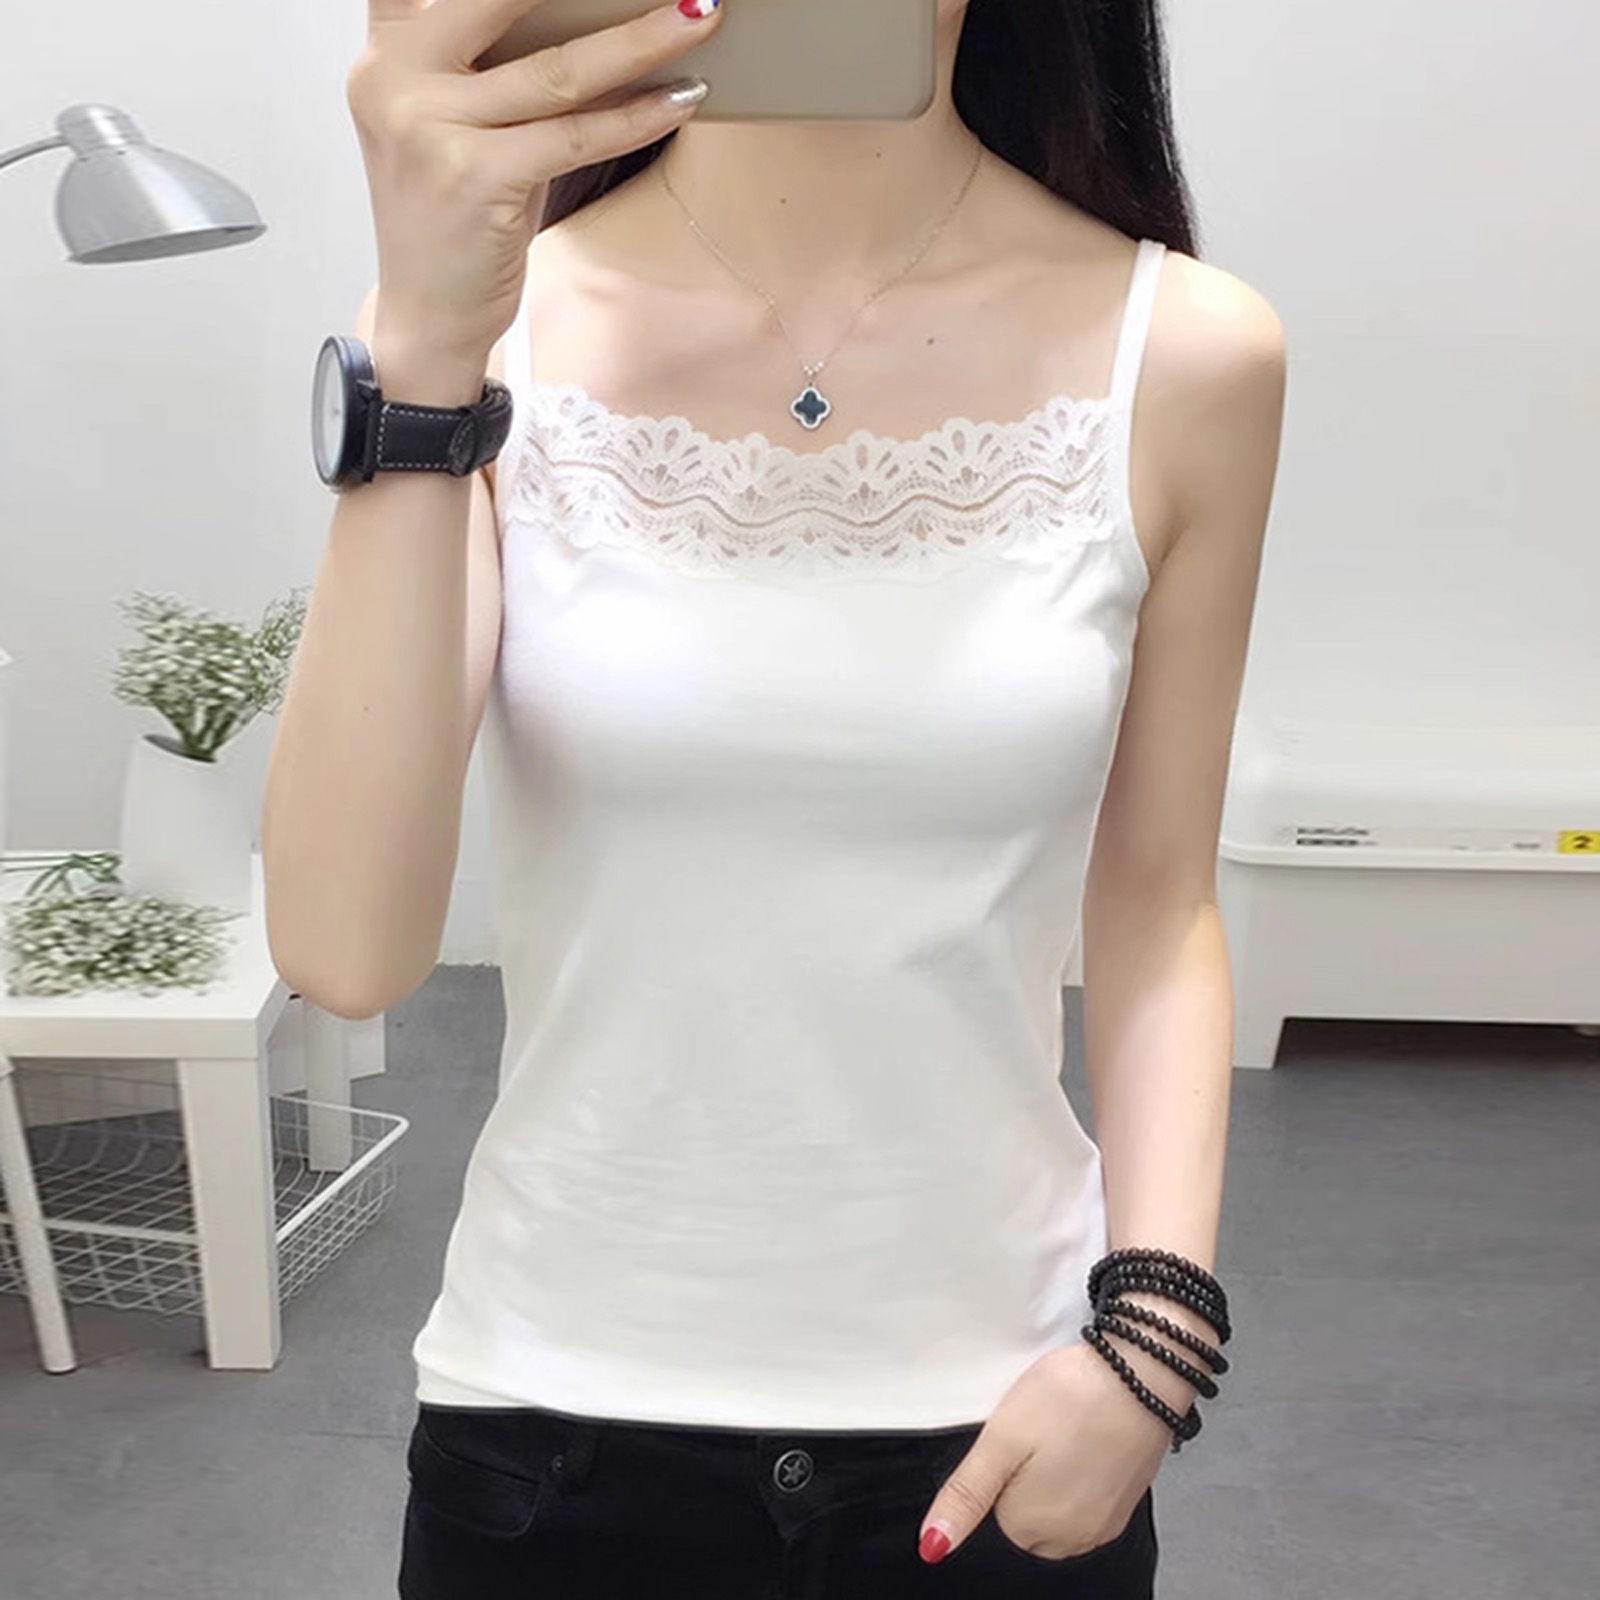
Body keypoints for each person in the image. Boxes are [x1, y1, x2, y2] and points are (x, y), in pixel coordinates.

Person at [263, 0, 1286, 1594]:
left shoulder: (1188, 352)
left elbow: (1158, 905)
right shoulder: (491, 339)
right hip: (552, 1423)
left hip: (1007, 1426)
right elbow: (344, 948)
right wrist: (426, 343)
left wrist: (1156, 1341)